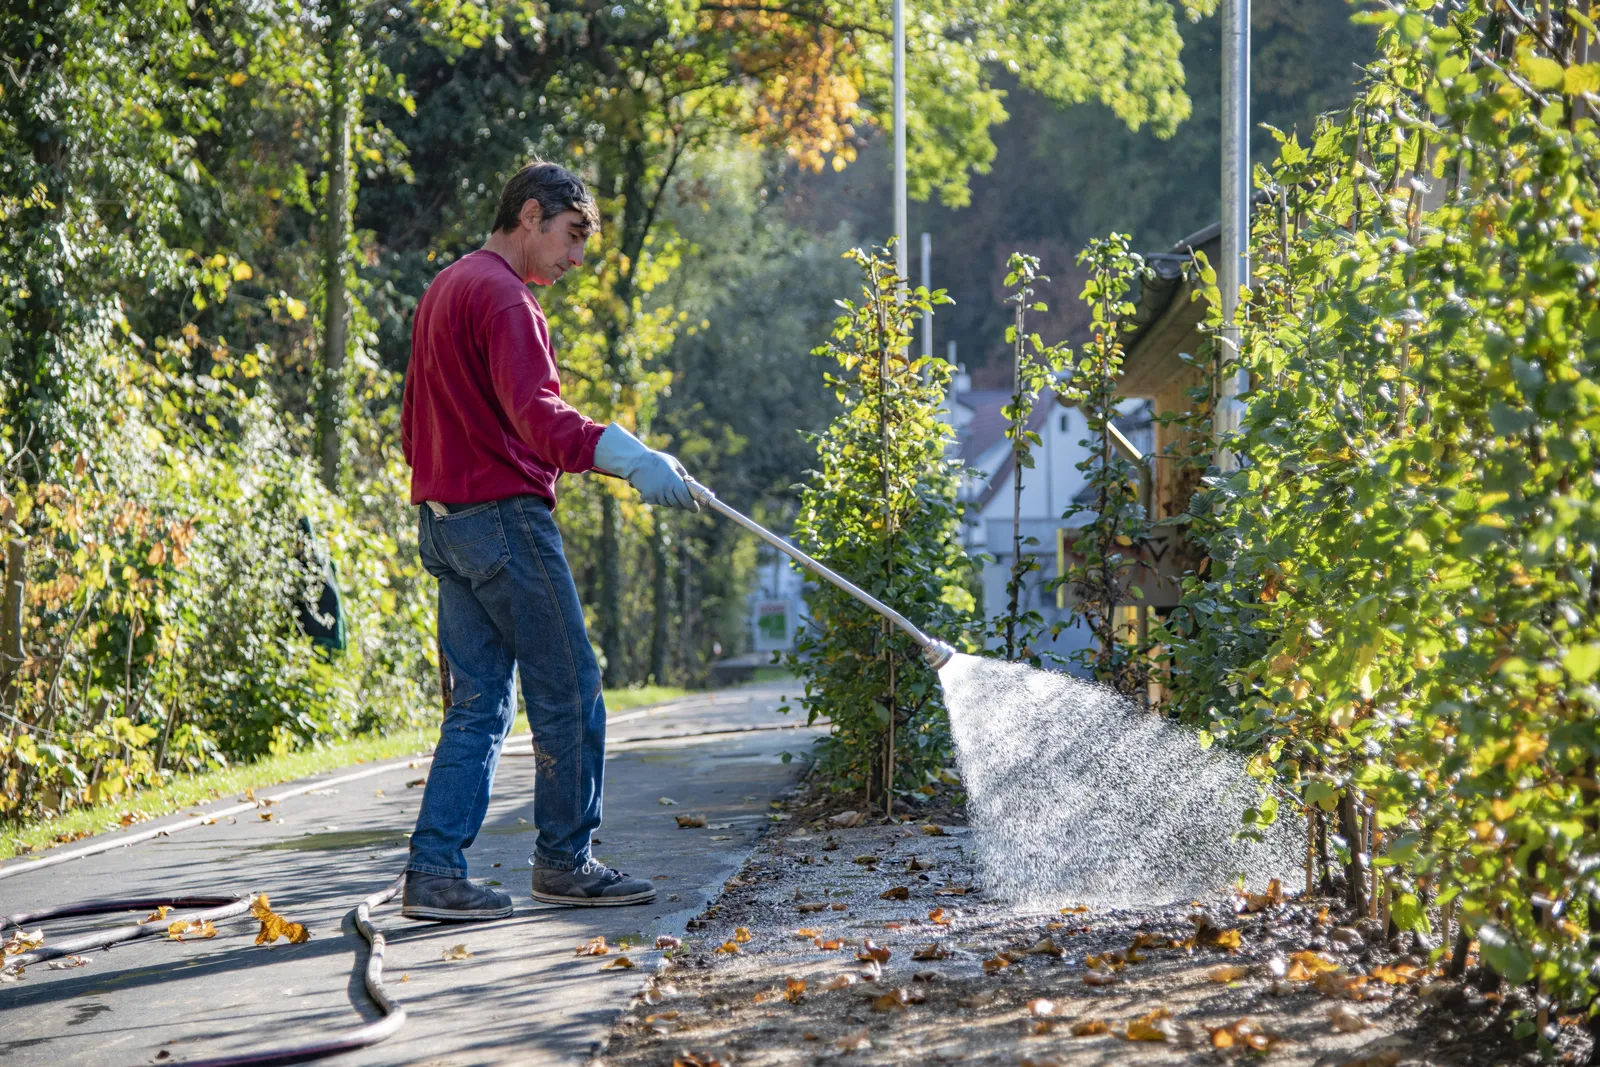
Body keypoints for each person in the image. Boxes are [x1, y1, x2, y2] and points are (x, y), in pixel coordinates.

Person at [397, 161, 698, 921]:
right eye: (568, 239)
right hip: (503, 521)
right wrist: (630, 457)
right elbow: (540, 417)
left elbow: (411, 424)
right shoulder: (505, 299)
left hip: (444, 523)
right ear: (529, 215)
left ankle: (434, 871)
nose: (573, 261)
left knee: (479, 704)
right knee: (569, 688)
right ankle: (565, 860)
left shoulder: (446, 288)